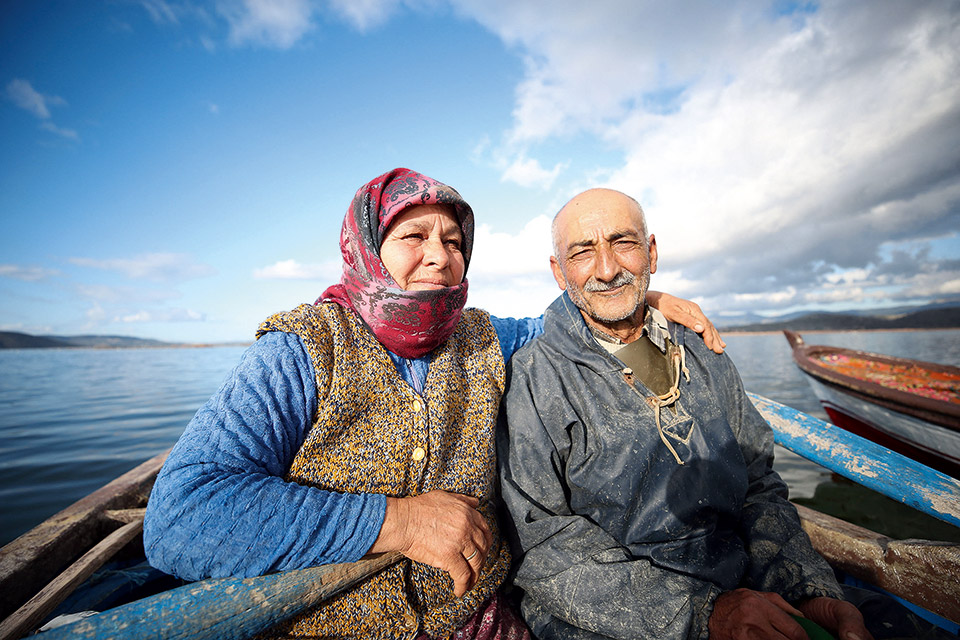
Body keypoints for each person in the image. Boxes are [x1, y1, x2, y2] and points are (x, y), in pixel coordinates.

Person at [143, 169, 722, 639]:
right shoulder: (301, 349)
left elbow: (560, 322)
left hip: (483, 618)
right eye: (413, 237)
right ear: (368, 249)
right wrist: (398, 521)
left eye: (453, 242)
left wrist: (641, 296)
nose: (439, 257)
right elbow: (180, 515)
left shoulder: (483, 337)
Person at [497, 187, 877, 640]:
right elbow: (541, 543)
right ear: (559, 272)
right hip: (608, 618)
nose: (607, 269)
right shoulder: (535, 377)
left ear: (652, 253)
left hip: (738, 584)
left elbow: (758, 485)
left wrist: (804, 591)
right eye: (583, 252)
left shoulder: (700, 349)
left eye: (623, 243)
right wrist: (703, 613)